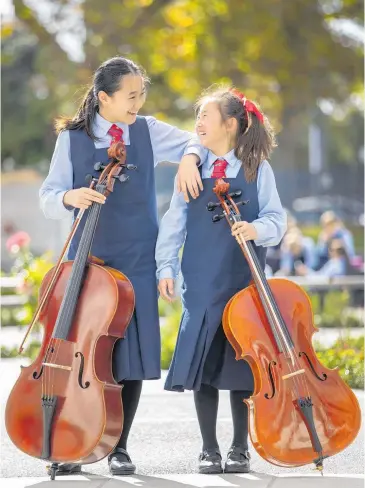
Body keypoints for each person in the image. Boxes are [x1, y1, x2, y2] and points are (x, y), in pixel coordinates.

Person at [39, 56, 205, 476]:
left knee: (126, 354)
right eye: (131, 96)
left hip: (136, 258)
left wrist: (188, 158)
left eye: (141, 94)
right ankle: (75, 443)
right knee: (85, 352)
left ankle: (119, 446)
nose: (138, 103)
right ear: (103, 98)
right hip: (89, 259)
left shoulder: (146, 130)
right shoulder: (70, 139)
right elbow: (49, 196)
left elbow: (197, 141)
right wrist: (68, 198)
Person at [156, 86, 287, 474]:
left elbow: (277, 221)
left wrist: (256, 229)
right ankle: (208, 448)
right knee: (204, 367)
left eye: (205, 117)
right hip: (199, 281)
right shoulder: (191, 168)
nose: (197, 123)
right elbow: (174, 223)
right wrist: (165, 267)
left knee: (241, 366)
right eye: (197, 116)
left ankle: (239, 448)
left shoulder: (257, 168)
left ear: (230, 124)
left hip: (243, 282)